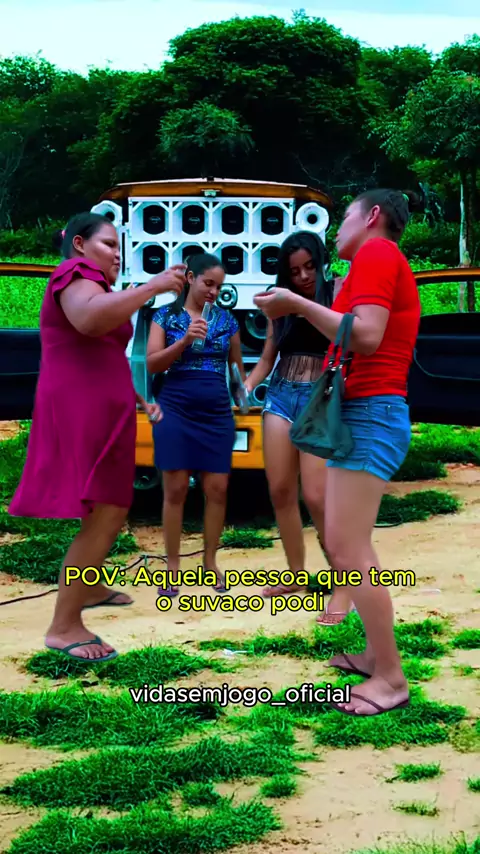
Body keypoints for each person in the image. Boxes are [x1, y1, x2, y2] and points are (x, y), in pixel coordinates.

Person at [254, 189, 421, 716]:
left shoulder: (377, 253)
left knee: (347, 549)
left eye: (344, 216)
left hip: (372, 414)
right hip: (365, 412)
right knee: (352, 546)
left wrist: (297, 304)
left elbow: (366, 336)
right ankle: (375, 655)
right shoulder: (371, 263)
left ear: (372, 216)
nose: (337, 228)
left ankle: (391, 679)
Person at [8, 212, 186, 661]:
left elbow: (103, 350)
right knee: (107, 507)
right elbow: (88, 321)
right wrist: (152, 287)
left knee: (108, 504)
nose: (116, 255)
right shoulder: (74, 273)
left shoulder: (98, 286)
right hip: (81, 409)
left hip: (103, 409)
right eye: (109, 244)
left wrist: (138, 396)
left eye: (118, 247)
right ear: (79, 244)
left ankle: (87, 587)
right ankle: (64, 626)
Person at [244, 231, 338, 602]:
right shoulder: (279, 300)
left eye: (310, 267)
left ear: (321, 262)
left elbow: (350, 338)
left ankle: (343, 577)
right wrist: (246, 385)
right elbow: (268, 356)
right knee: (280, 490)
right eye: (295, 271)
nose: (303, 276)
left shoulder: (336, 292)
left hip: (320, 398)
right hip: (281, 395)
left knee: (316, 495)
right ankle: (295, 574)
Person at [146, 251, 246, 595]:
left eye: (219, 286)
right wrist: (185, 341)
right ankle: (172, 566)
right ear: (190, 278)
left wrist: (243, 396)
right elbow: (153, 364)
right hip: (175, 408)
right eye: (208, 283)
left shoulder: (227, 321)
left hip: (216, 412)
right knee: (175, 490)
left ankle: (210, 562)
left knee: (217, 490)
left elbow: (236, 370)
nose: (213, 292)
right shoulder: (165, 316)